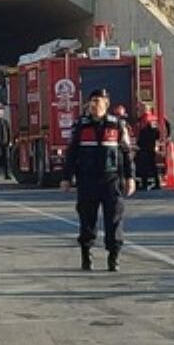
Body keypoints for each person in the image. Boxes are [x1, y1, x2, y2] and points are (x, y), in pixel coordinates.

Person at [61, 88, 136, 272]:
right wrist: (66, 177)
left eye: (99, 101)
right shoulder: (81, 125)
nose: (95, 105)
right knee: (87, 219)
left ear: (106, 104)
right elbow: (72, 154)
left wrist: (130, 177)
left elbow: (127, 154)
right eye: (92, 101)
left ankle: (114, 256)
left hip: (111, 181)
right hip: (87, 180)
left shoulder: (117, 125)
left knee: (114, 219)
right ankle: (86, 255)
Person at [134, 111, 163, 191]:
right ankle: (157, 184)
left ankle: (144, 184)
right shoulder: (154, 122)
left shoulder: (144, 126)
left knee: (144, 168)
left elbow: (141, 139)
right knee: (153, 167)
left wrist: (138, 145)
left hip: (144, 149)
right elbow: (158, 134)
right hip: (151, 148)